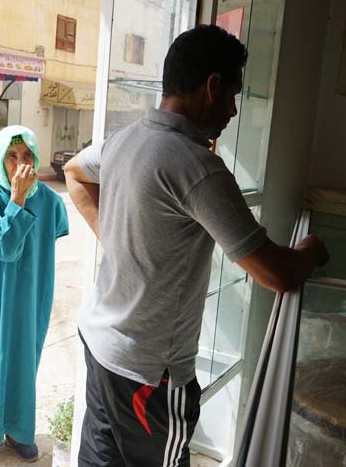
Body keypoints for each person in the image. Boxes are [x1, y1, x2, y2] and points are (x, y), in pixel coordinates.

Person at [64, 25, 329, 467]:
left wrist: (117, 241)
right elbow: (275, 274)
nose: (233, 110)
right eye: (232, 95)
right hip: (149, 375)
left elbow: (75, 172)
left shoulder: (125, 140)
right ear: (211, 86)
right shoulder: (197, 167)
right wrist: (310, 253)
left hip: (100, 344)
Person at [0, 126, 69, 467]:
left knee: (22, 360)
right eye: (11, 156)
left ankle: (17, 430)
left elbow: (48, 242)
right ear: (0, 158)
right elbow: (3, 247)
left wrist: (27, 197)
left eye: (26, 156)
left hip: (28, 296)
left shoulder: (50, 200)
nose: (20, 164)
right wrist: (17, 199)